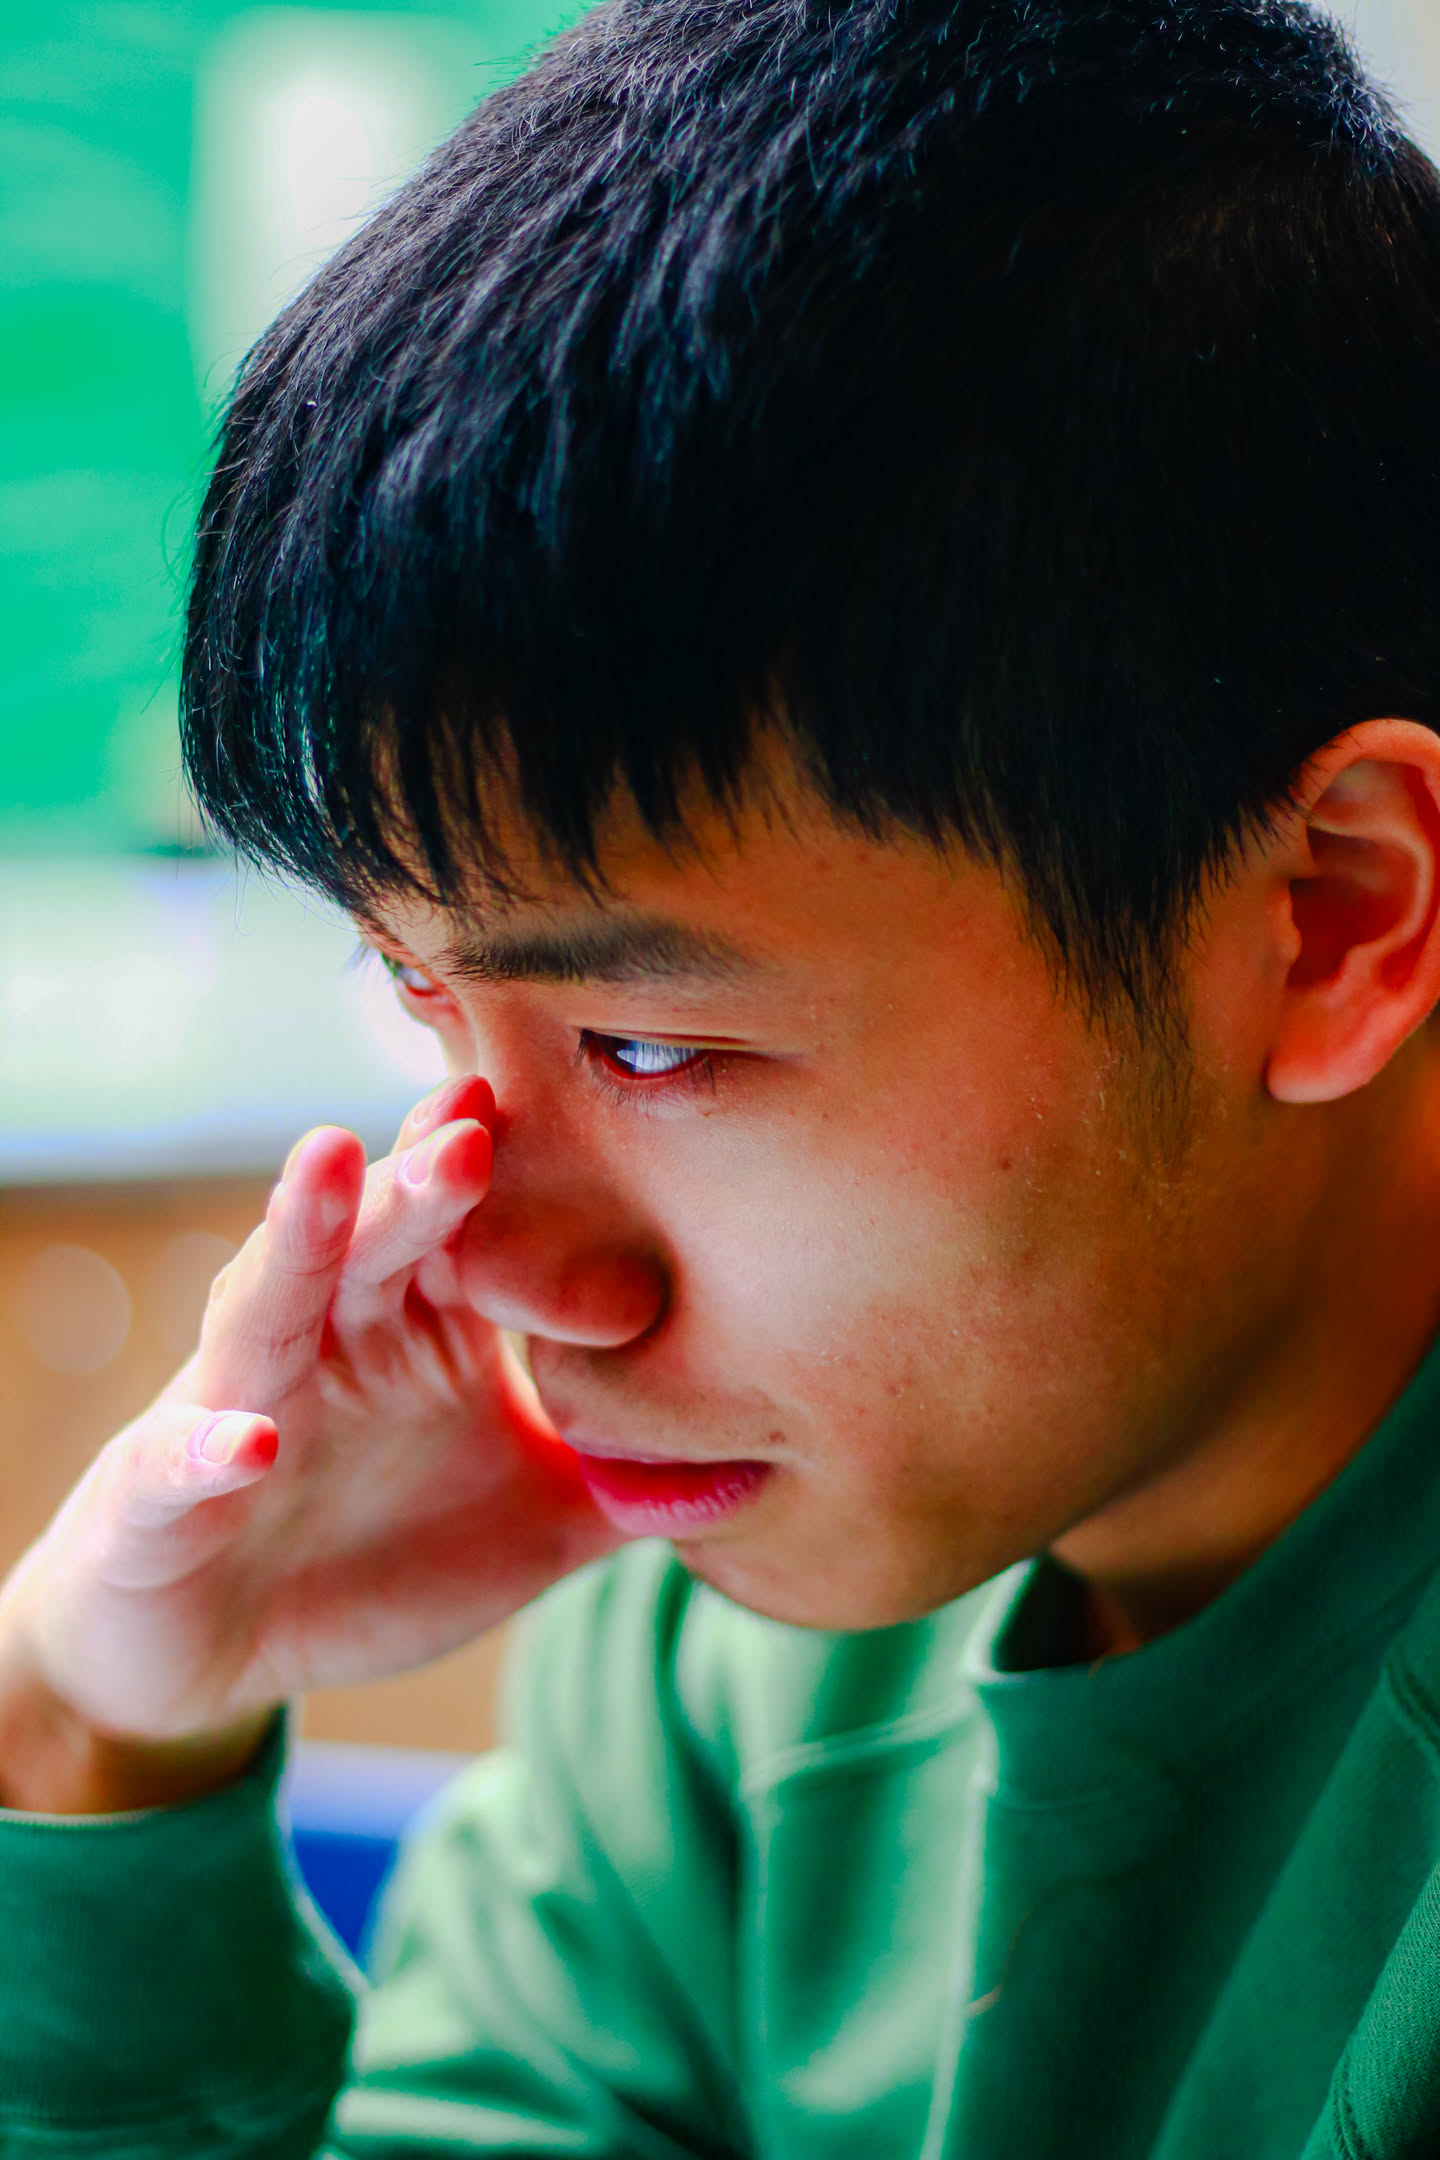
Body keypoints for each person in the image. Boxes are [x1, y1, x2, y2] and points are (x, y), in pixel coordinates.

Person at [5, 0, 1440, 2150]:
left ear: (1328, 915)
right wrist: (92, 1746)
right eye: (415, 995)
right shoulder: (735, 1640)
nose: (501, 1271)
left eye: (654, 1043)